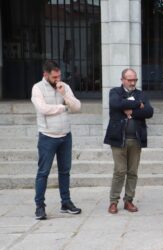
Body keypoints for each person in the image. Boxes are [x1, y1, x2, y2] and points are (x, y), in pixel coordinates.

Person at [31, 60, 82, 220]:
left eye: (59, 75)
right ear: (45, 75)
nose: (57, 79)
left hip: (65, 135)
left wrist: (64, 95)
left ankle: (65, 203)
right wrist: (63, 108)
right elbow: (43, 109)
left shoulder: (64, 87)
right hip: (47, 136)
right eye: (54, 76)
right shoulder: (37, 88)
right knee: (43, 173)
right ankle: (40, 206)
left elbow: (77, 107)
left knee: (65, 172)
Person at [104, 68, 153, 214]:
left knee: (132, 172)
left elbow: (149, 112)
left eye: (135, 80)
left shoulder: (141, 94)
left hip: (136, 139)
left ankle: (129, 200)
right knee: (120, 170)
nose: (132, 83)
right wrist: (138, 104)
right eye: (129, 80)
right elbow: (116, 104)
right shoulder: (115, 92)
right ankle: (113, 201)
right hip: (118, 139)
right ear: (122, 80)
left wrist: (131, 110)